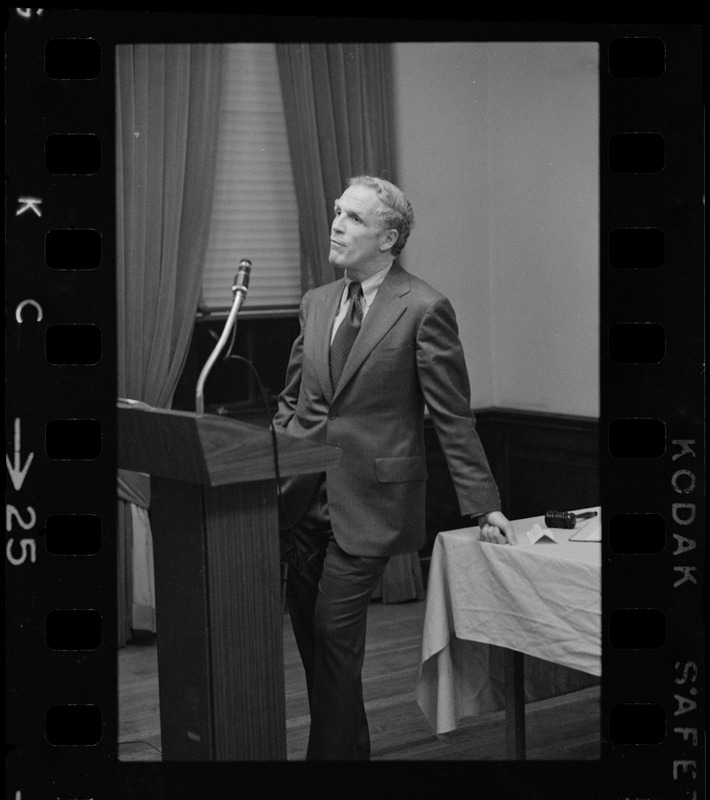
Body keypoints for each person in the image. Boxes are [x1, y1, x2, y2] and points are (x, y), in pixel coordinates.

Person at [273, 174, 514, 760]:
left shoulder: (425, 308)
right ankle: (346, 755)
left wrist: (485, 506)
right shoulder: (316, 301)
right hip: (302, 499)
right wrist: (273, 465)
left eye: (353, 218)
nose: (336, 223)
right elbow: (292, 400)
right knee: (314, 642)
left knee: (334, 633)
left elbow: (453, 418)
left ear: (390, 238)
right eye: (337, 212)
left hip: (370, 505)